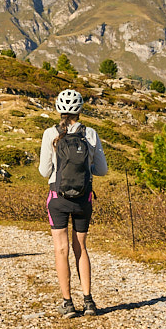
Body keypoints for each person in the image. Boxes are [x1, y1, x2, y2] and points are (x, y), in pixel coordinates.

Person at [38, 89, 107, 317]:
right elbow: (102, 170)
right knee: (81, 248)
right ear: (80, 110)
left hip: (57, 199)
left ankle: (68, 304)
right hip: (83, 199)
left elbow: (44, 171)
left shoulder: (50, 134)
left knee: (61, 249)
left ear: (58, 109)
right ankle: (88, 301)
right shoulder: (91, 134)